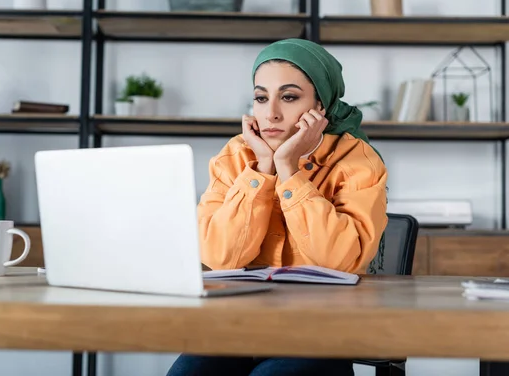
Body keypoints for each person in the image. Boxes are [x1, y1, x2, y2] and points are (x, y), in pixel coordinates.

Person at [166, 38, 388, 376]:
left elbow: (338, 261)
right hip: (237, 327)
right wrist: (262, 169)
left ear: (321, 106)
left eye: (289, 97)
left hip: (320, 332)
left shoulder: (358, 161)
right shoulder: (236, 156)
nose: (270, 113)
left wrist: (289, 168)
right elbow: (219, 256)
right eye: (260, 98)